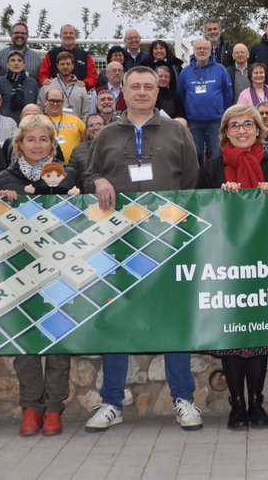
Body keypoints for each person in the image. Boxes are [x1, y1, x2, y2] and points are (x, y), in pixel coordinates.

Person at [82, 66, 203, 433]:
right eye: (134, 86)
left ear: (156, 92)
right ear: (125, 91)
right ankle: (111, 402)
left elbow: (192, 180)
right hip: (118, 241)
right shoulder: (106, 135)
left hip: (168, 238)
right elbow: (87, 176)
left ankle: (183, 399)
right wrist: (100, 178)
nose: (141, 92)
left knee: (173, 316)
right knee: (117, 314)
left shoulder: (177, 132)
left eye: (148, 87)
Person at [196, 104, 268, 430]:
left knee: (259, 334)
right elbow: (198, 214)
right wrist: (218, 199)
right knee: (231, 335)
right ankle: (237, 405)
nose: (241, 130)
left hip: (264, 263)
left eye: (247, 124)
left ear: (259, 129)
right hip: (224, 265)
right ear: (225, 132)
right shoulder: (211, 169)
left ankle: (257, 403)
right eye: (234, 126)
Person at [0, 114, 78, 437]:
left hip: (60, 268)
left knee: (57, 337)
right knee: (24, 339)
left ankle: (54, 407)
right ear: (19, 144)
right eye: (31, 140)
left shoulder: (67, 177)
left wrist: (78, 199)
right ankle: (31, 406)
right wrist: (0, 205)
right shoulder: (4, 179)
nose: (37, 146)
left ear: (53, 144)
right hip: (19, 268)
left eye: (44, 140)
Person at [178, 37, 234, 161]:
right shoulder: (185, 72)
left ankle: (213, 180)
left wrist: (218, 110)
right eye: (199, 48)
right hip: (193, 122)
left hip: (215, 122)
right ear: (194, 50)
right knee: (195, 154)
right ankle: (198, 179)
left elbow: (228, 94)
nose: (202, 50)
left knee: (215, 154)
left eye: (205, 48)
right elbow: (181, 94)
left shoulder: (220, 70)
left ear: (210, 50)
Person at [37, 24, 98, 90]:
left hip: (78, 92)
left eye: (71, 33)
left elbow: (93, 76)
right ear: (60, 36)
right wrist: (44, 81)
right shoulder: (51, 54)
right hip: (56, 94)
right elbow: (43, 74)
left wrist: (85, 83)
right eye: (65, 33)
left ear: (75, 36)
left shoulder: (85, 56)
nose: (68, 35)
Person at [41, 89, 87, 163]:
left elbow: (86, 141)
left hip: (74, 166)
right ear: (45, 101)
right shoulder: (38, 120)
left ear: (63, 103)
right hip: (47, 166)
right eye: (52, 101)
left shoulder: (76, 120)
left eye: (58, 101)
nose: (55, 104)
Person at [0, 50, 40, 122]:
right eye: (12, 60)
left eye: (19, 60)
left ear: (24, 64)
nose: (16, 63)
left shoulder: (32, 82)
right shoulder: (0, 82)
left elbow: (35, 103)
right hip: (5, 123)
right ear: (7, 64)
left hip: (28, 123)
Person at [66, 113, 107, 180]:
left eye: (99, 124)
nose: (96, 128)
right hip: (86, 188)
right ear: (87, 130)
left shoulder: (115, 146)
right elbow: (71, 175)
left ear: (105, 127)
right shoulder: (77, 151)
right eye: (91, 125)